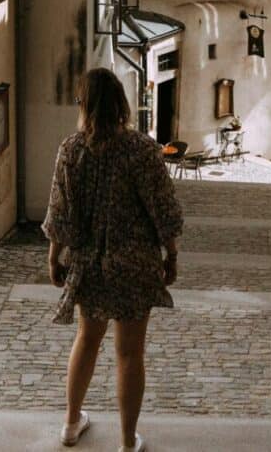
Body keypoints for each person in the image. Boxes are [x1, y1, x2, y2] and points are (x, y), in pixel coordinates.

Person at [43, 67, 184, 452]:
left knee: (87, 339)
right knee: (130, 353)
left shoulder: (71, 150)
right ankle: (125, 442)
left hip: (89, 264)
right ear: (121, 103)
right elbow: (163, 209)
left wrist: (54, 257)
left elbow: (60, 212)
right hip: (135, 263)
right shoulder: (142, 150)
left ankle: (71, 423)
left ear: (84, 105)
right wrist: (171, 254)